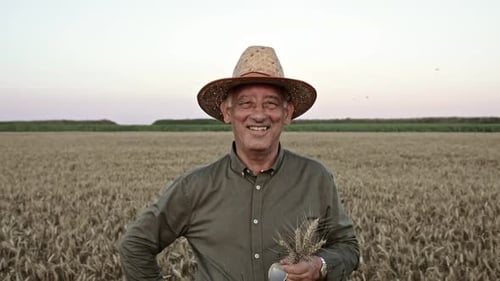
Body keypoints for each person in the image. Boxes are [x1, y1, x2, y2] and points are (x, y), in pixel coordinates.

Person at [119, 46, 359, 281]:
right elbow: (135, 245)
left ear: (287, 113)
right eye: (246, 103)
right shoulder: (195, 186)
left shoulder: (314, 177)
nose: (259, 114)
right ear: (227, 112)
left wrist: (321, 265)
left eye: (271, 104)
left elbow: (348, 247)